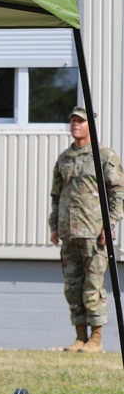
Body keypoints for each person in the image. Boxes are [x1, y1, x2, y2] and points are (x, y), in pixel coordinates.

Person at [49, 106, 124, 353]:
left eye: (80, 121)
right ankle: (80, 337)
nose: (75, 125)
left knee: (93, 287)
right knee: (72, 288)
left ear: (90, 125)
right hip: (69, 232)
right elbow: (56, 196)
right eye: (72, 120)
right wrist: (54, 225)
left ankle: (96, 339)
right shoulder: (65, 158)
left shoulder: (103, 155)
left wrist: (110, 222)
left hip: (94, 233)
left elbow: (118, 191)